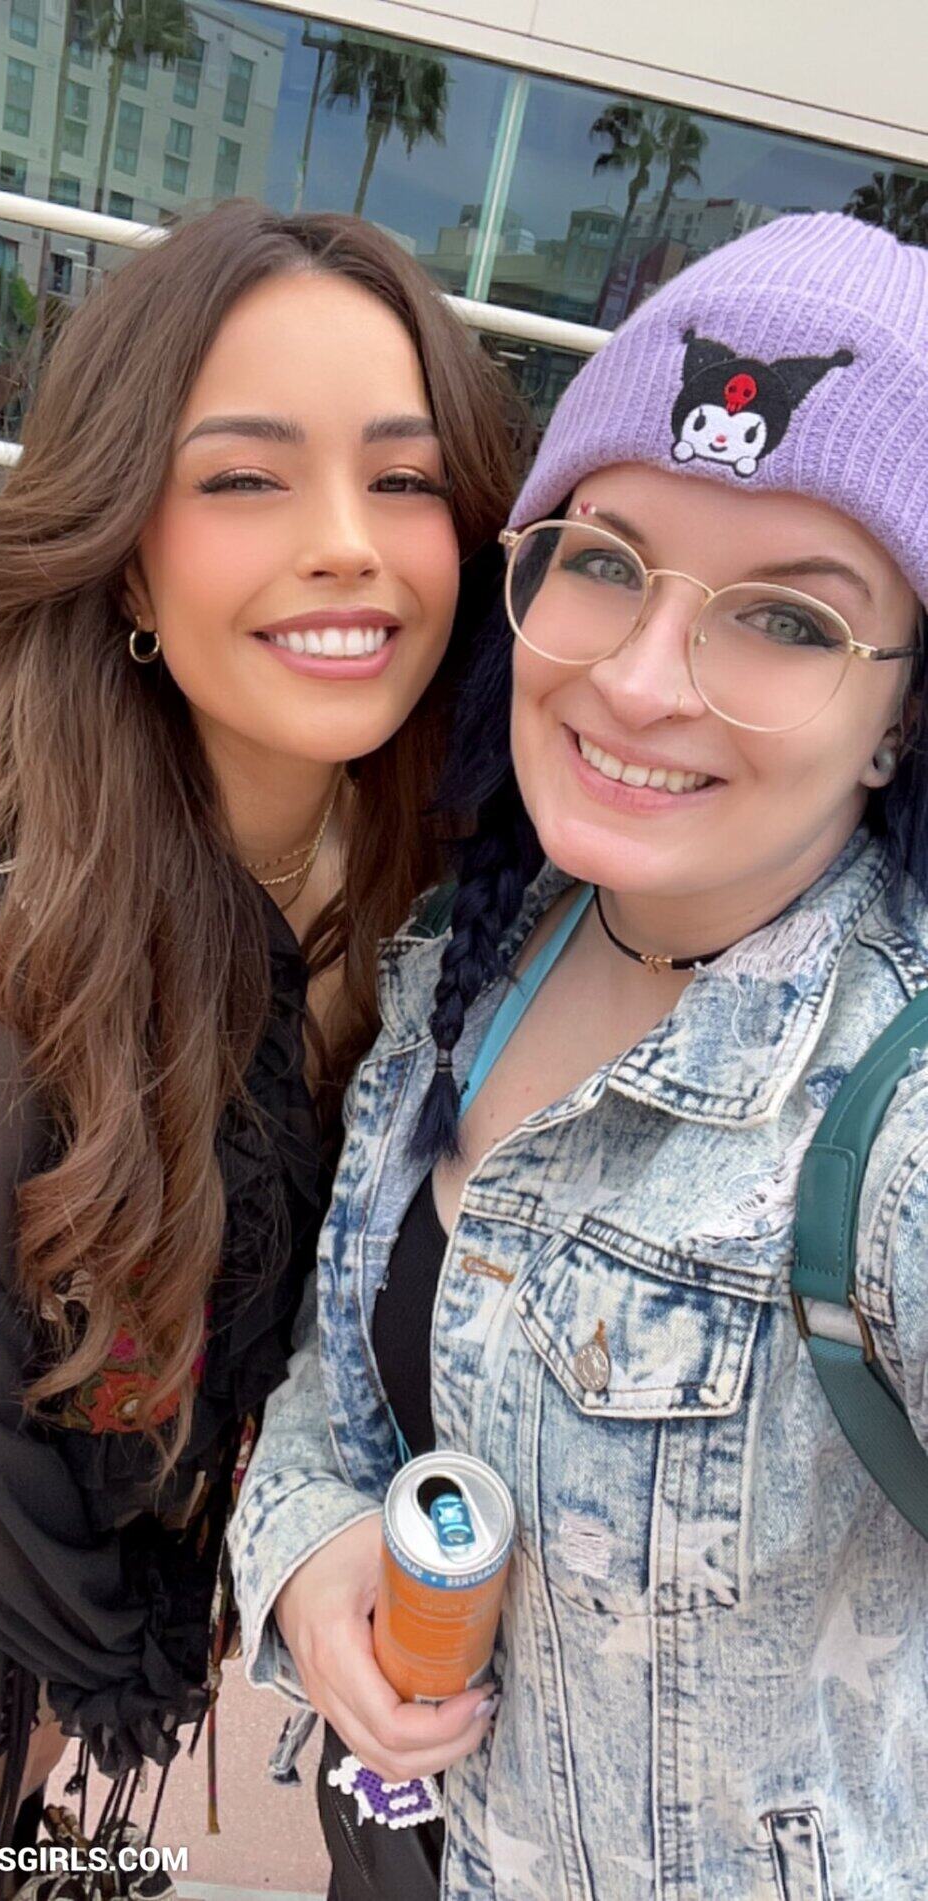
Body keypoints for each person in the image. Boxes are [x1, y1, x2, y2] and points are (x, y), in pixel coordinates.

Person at [231, 211, 928, 1900]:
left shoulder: (893, 1126)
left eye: (788, 617)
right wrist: (309, 1553)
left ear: (898, 715)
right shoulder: (468, 951)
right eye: (604, 560)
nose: (637, 678)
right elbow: (340, 1382)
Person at [0, 198, 518, 1901]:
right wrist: (127, 1670)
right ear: (128, 557)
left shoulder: (452, 904)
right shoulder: (2, 955)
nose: (347, 544)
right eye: (243, 478)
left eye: (400, 477)